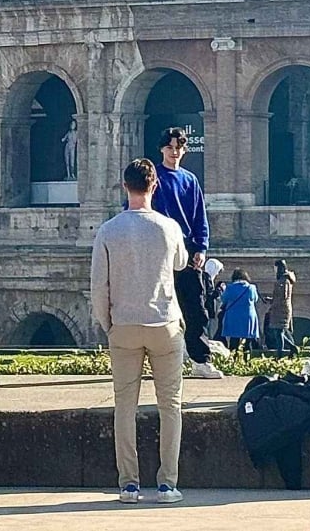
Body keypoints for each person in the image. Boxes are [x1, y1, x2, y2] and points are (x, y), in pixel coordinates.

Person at [91, 158, 189, 505]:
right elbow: (180, 263)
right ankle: (167, 484)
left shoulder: (108, 230)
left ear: (124, 187)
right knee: (170, 406)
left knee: (125, 407)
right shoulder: (169, 227)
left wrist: (109, 324)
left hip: (125, 325)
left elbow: (98, 287)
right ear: (155, 186)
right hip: (164, 322)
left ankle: (129, 485)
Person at [150, 127, 222, 379]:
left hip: (188, 249)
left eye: (179, 147)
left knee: (195, 305)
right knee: (161, 305)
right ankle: (166, 360)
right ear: (162, 149)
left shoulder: (190, 180)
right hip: (160, 249)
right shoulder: (154, 179)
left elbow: (200, 217)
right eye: (170, 147)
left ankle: (200, 359)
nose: (174, 152)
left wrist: (201, 247)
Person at [217, 269, 260, 352]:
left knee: (234, 341)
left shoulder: (230, 288)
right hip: (249, 316)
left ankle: (234, 359)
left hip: (234, 316)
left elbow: (224, 299)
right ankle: (247, 361)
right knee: (248, 342)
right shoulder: (252, 287)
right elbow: (255, 299)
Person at [263, 260, 297, 354]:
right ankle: (290, 348)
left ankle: (284, 351)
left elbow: (283, 296)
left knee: (279, 332)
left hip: (281, 310)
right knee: (277, 332)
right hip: (279, 308)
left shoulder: (284, 280)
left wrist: (273, 302)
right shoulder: (282, 280)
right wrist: (271, 300)